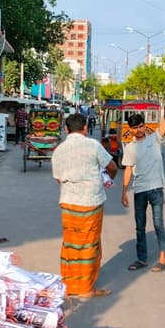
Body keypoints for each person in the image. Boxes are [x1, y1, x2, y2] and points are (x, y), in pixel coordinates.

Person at [51, 113, 118, 298]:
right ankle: (86, 288)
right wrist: (107, 180)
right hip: (91, 202)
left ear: (66, 129)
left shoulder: (59, 150)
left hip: (68, 202)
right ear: (85, 128)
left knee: (70, 243)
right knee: (89, 244)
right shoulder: (93, 145)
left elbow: (58, 178)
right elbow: (112, 167)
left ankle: (69, 284)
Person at [121, 87, 165, 272]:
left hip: (156, 189)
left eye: (140, 127)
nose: (138, 130)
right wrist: (124, 192)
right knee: (140, 226)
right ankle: (142, 259)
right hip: (139, 190)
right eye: (134, 128)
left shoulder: (155, 138)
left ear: (144, 125)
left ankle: (163, 258)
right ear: (130, 130)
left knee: (158, 224)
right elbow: (128, 169)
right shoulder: (129, 147)